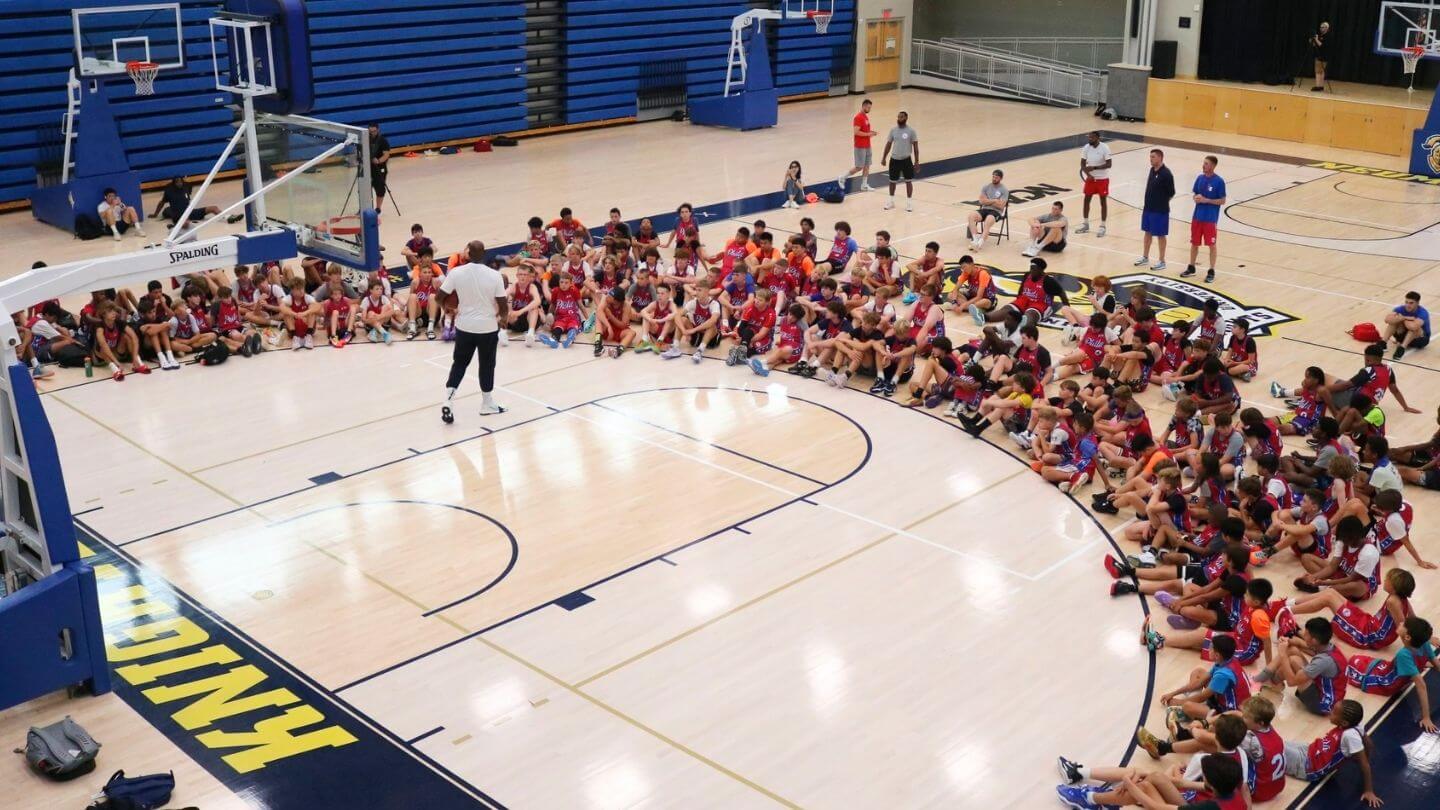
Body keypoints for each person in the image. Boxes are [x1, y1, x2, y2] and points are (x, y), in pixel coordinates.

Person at [439, 240, 509, 422]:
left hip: (464, 326)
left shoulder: (456, 272)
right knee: (486, 365)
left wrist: (448, 309)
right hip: (487, 328)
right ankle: (487, 403)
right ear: (484, 253)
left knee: (459, 363)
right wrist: (503, 321)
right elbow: (503, 305)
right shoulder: (495, 276)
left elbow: (439, 297)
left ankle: (448, 400)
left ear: (468, 254)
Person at [1345, 616, 1438, 733]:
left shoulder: (1403, 654)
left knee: (1348, 664)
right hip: (1389, 670)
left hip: (1385, 682)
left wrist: (1426, 717)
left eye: (1404, 624)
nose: (1401, 622)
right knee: (1357, 658)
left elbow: (1421, 686)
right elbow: (1436, 663)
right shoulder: (1424, 643)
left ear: (1407, 637)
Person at [1283, 700, 1381, 807]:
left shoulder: (1350, 736)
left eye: (1334, 712)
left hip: (1307, 766)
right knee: (1278, 743)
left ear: (1344, 723)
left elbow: (1365, 765)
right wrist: (1362, 757)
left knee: (1274, 748)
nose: (1330, 711)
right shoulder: (1356, 725)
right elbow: (1369, 743)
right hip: (1310, 750)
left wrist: (1369, 791)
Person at [1184, 155, 1226, 283]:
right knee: (1194, 243)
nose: (1203, 166)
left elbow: (1223, 200)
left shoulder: (1219, 181)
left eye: (1206, 164)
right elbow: (1195, 194)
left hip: (1210, 219)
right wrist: (1196, 198)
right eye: (1203, 163)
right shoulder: (1199, 178)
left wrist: (1207, 200)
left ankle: (1211, 270)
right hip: (1197, 217)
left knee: (1211, 245)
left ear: (1213, 166)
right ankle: (1191, 267)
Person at [1135, 148, 1175, 271]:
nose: (1150, 159)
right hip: (1148, 208)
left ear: (1160, 158)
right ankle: (1145, 257)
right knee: (1147, 232)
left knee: (1160, 235)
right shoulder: (1152, 170)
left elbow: (1171, 192)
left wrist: (1161, 202)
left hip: (1160, 210)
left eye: (1153, 157)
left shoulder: (1166, 174)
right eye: (1150, 157)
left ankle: (1162, 261)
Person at [151, 176, 240, 228]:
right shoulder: (169, 192)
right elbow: (161, 203)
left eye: (180, 181)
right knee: (186, 223)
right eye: (177, 182)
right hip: (179, 215)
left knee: (214, 208)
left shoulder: (187, 187)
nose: (179, 183)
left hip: (190, 212)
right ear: (173, 183)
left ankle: (227, 218)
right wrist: (155, 214)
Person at [880, 111, 919, 212]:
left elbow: (915, 147)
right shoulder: (893, 130)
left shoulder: (911, 131)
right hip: (894, 160)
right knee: (892, 181)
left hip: (906, 160)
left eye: (901, 117)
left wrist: (917, 161)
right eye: (898, 117)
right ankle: (891, 201)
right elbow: (888, 144)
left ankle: (909, 203)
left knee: (908, 181)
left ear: (906, 118)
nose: (899, 119)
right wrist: (884, 157)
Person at [1076, 130, 1112, 237]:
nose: (1089, 139)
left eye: (1092, 138)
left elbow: (1109, 164)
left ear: (1097, 138)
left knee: (1103, 201)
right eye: (1089, 138)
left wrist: (1095, 168)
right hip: (1091, 179)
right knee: (1086, 200)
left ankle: (1102, 226)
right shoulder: (1086, 147)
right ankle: (1086, 224)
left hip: (1102, 179)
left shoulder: (1105, 147)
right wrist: (1088, 174)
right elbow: (1082, 164)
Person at [839, 98, 877, 191]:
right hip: (860, 146)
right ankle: (842, 177)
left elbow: (864, 131)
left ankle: (864, 185)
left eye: (870, 108)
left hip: (867, 145)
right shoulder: (858, 117)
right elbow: (856, 132)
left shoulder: (865, 117)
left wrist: (871, 133)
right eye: (868, 107)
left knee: (867, 165)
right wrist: (868, 134)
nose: (869, 109)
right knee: (859, 166)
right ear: (863, 106)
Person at [966, 170, 1008, 251]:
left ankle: (980, 244)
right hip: (984, 209)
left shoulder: (1004, 190)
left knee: (988, 221)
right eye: (993, 177)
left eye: (996, 177)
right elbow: (981, 201)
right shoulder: (986, 187)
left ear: (1001, 178)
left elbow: (1001, 206)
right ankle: (975, 240)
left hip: (996, 212)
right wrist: (995, 200)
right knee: (971, 216)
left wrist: (988, 201)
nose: (994, 179)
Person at [1385, 290, 1430, 359]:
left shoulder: (1423, 313)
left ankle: (1402, 348)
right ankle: (1382, 343)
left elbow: (1413, 327)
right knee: (1393, 322)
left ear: (1417, 303)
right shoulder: (1400, 309)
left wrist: (1401, 318)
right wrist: (1405, 318)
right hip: (1403, 335)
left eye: (1411, 303)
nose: (1408, 305)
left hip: (1420, 340)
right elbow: (1387, 320)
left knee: (1415, 328)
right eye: (1406, 302)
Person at [367, 123, 391, 211]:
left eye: (374, 131)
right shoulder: (366, 139)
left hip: (379, 168)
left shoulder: (383, 140)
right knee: (364, 188)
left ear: (378, 130)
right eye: (370, 132)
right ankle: (364, 208)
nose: (372, 133)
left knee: (380, 188)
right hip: (368, 168)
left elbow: (386, 155)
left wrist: (378, 160)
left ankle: (378, 208)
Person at [1311, 21, 1331, 91]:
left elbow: (1322, 45)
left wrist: (1316, 39)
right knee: (1321, 71)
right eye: (1320, 27)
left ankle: (1318, 86)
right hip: (1320, 55)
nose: (1321, 28)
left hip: (1323, 56)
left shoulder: (1328, 36)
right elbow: (1317, 45)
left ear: (1327, 28)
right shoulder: (1321, 35)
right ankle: (1321, 86)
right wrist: (1313, 41)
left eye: (1323, 27)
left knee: (1318, 71)